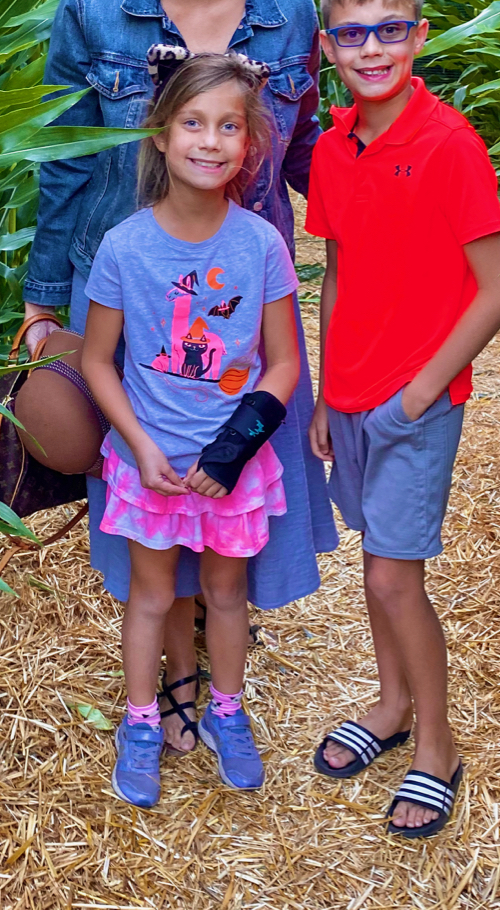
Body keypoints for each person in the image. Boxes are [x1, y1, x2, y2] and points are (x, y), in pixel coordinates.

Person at [21, 0, 337, 755]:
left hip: (245, 301)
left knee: (224, 478)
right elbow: (68, 158)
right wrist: (40, 301)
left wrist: (392, 190)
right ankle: (176, 668)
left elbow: (302, 151)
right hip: (126, 286)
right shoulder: (94, 1)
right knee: (98, 447)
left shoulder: (289, 1)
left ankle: (210, 654)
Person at [306, 0, 500, 840]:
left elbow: (499, 285)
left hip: (413, 403)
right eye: (352, 34)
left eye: (389, 30)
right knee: (375, 566)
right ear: (328, 47)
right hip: (350, 394)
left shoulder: (448, 144)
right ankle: (390, 705)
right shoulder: (329, 147)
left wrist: (422, 391)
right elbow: (338, 270)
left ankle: (436, 746)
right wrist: (324, 390)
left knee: (396, 578)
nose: (371, 48)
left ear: (417, 35)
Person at [82, 52, 301, 807]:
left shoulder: (261, 244)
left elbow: (282, 367)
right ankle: (141, 722)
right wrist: (139, 447)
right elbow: (98, 362)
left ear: (250, 143)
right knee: (148, 597)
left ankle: (226, 714)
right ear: (161, 134)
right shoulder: (124, 247)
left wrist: (233, 451)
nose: (209, 142)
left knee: (225, 594)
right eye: (192, 124)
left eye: (228, 127)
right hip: (149, 466)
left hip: (227, 468)